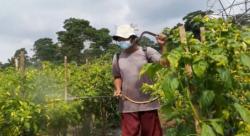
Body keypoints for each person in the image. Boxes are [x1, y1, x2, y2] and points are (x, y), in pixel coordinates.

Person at [112, 24, 166, 136]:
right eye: (120, 39)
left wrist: (163, 46)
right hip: (127, 104)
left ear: (133, 38)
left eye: (124, 39)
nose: (122, 41)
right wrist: (117, 89)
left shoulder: (147, 51)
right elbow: (117, 76)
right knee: (130, 133)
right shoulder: (117, 57)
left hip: (148, 102)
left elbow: (165, 63)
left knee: (151, 133)